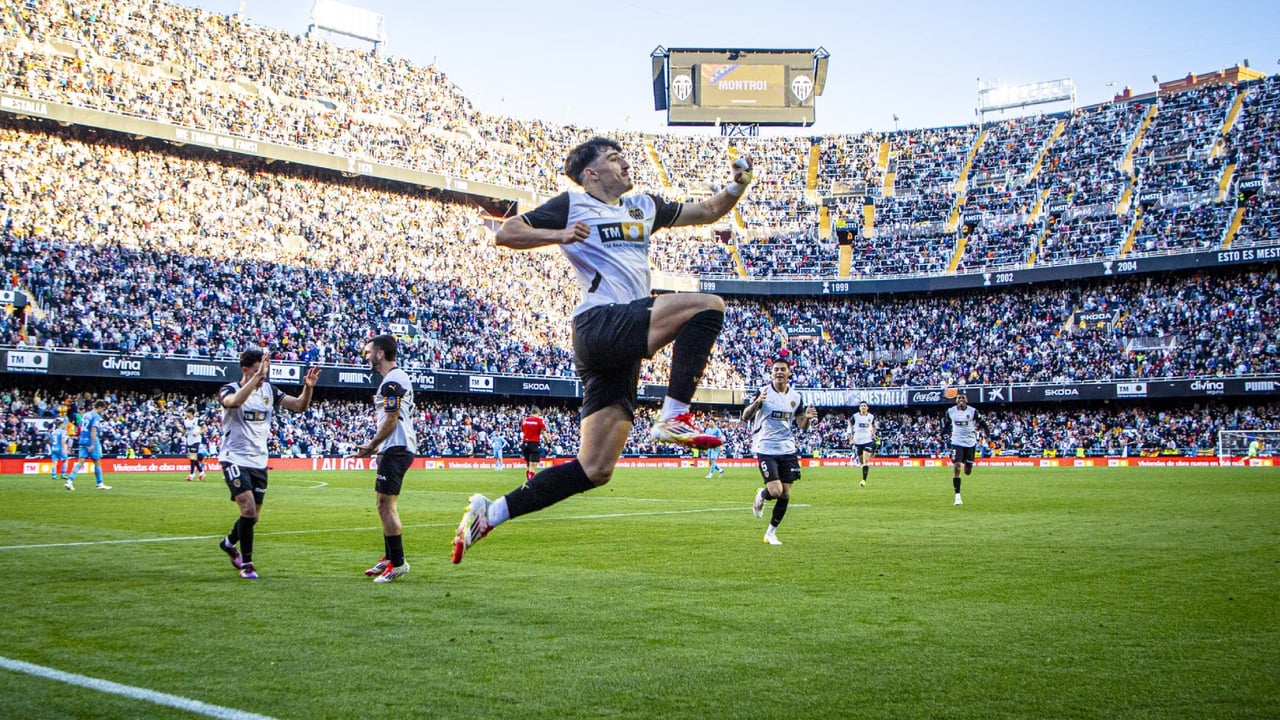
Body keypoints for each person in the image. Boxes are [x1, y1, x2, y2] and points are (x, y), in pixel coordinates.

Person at [451, 136, 754, 563]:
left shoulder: (644, 206)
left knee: (594, 469)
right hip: (599, 322)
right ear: (591, 174)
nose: (625, 164)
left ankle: (493, 512)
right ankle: (674, 415)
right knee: (708, 306)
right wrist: (559, 234)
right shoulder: (573, 204)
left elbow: (706, 211)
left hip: (617, 342)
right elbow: (507, 232)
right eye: (614, 159)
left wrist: (738, 185)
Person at [217, 349, 319, 580]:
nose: (263, 376)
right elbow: (234, 403)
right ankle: (248, 564)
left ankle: (228, 543)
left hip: (259, 460)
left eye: (264, 371)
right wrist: (255, 379)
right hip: (234, 458)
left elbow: (299, 406)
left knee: (253, 518)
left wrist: (308, 388)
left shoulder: (269, 390)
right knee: (248, 510)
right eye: (257, 371)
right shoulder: (229, 389)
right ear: (245, 370)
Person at [354, 334, 418, 583]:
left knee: (385, 505)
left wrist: (371, 446)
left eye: (368, 351)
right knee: (383, 503)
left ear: (380, 353)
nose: (366, 355)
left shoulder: (392, 382)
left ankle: (398, 563)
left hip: (397, 447)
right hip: (393, 447)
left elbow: (391, 419)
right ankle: (390, 556)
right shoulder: (393, 379)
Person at [745, 356, 817, 545]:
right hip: (766, 448)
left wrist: (808, 418)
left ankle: (770, 533)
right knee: (776, 491)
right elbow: (745, 416)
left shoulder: (796, 397)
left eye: (782, 369)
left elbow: (802, 426)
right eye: (776, 369)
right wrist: (757, 403)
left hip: (787, 449)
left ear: (789, 373)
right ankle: (762, 494)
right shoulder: (763, 392)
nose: (779, 372)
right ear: (771, 373)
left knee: (785, 493)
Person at [947, 393, 988, 506]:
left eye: (963, 398)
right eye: (959, 398)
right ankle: (957, 497)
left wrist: (988, 436)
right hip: (956, 442)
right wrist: (941, 434)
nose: (961, 399)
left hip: (970, 443)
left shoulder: (973, 411)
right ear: (956, 400)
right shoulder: (950, 411)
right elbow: (947, 424)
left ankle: (968, 464)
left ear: (966, 400)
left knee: (967, 471)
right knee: (957, 466)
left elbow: (983, 424)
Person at [66, 400, 110, 491]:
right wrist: (93, 444)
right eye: (103, 409)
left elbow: (80, 427)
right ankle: (99, 483)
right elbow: (93, 429)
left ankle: (69, 481)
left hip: (83, 439)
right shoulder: (96, 416)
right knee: (97, 461)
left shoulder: (86, 414)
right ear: (99, 407)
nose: (103, 411)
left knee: (80, 462)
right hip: (91, 440)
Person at [848, 401, 878, 487]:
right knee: (862, 463)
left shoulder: (871, 417)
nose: (863, 407)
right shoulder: (855, 416)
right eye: (862, 406)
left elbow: (874, 426)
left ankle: (863, 480)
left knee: (866, 460)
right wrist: (851, 439)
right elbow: (849, 426)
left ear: (867, 408)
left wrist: (873, 434)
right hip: (858, 441)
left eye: (865, 406)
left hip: (868, 440)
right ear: (859, 408)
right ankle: (863, 468)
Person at [519, 408, 548, 482]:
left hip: (525, 444)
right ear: (538, 413)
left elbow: (522, 430)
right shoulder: (539, 420)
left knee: (528, 465)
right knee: (533, 466)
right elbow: (544, 434)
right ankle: (531, 484)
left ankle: (528, 482)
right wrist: (549, 444)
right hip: (534, 444)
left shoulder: (525, 420)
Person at [181, 407, 207, 482]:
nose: (186, 413)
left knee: (192, 457)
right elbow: (184, 432)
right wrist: (177, 426)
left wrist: (198, 433)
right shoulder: (185, 421)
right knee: (193, 457)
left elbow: (205, 428)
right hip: (189, 440)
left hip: (196, 440)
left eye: (187, 412)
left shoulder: (197, 420)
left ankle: (191, 474)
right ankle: (202, 472)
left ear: (191, 413)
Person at [48, 417, 70, 482]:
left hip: (53, 448)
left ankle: (54, 476)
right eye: (63, 424)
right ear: (61, 424)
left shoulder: (53, 432)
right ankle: (63, 474)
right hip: (60, 448)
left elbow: (51, 441)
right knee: (65, 460)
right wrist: (63, 449)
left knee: (54, 462)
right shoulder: (63, 431)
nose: (64, 425)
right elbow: (62, 440)